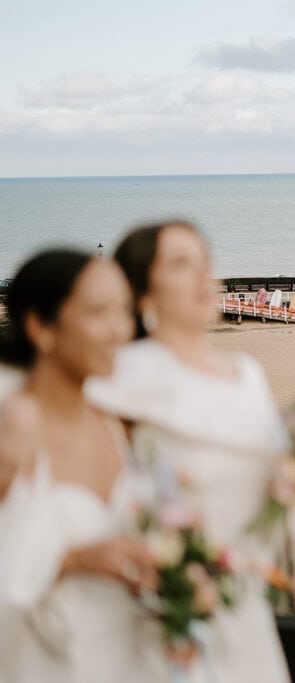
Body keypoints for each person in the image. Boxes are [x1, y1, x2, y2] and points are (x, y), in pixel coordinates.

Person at [87, 221, 292, 682]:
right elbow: (100, 499)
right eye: (181, 264)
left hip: (245, 605)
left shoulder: (249, 373)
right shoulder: (122, 379)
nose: (203, 276)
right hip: (165, 611)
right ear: (142, 293)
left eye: (205, 261)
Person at [0, 249, 165, 681]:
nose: (119, 330)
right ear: (41, 326)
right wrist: (68, 560)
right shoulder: (13, 426)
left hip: (127, 659)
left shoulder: (114, 422)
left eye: (124, 311)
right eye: (98, 311)